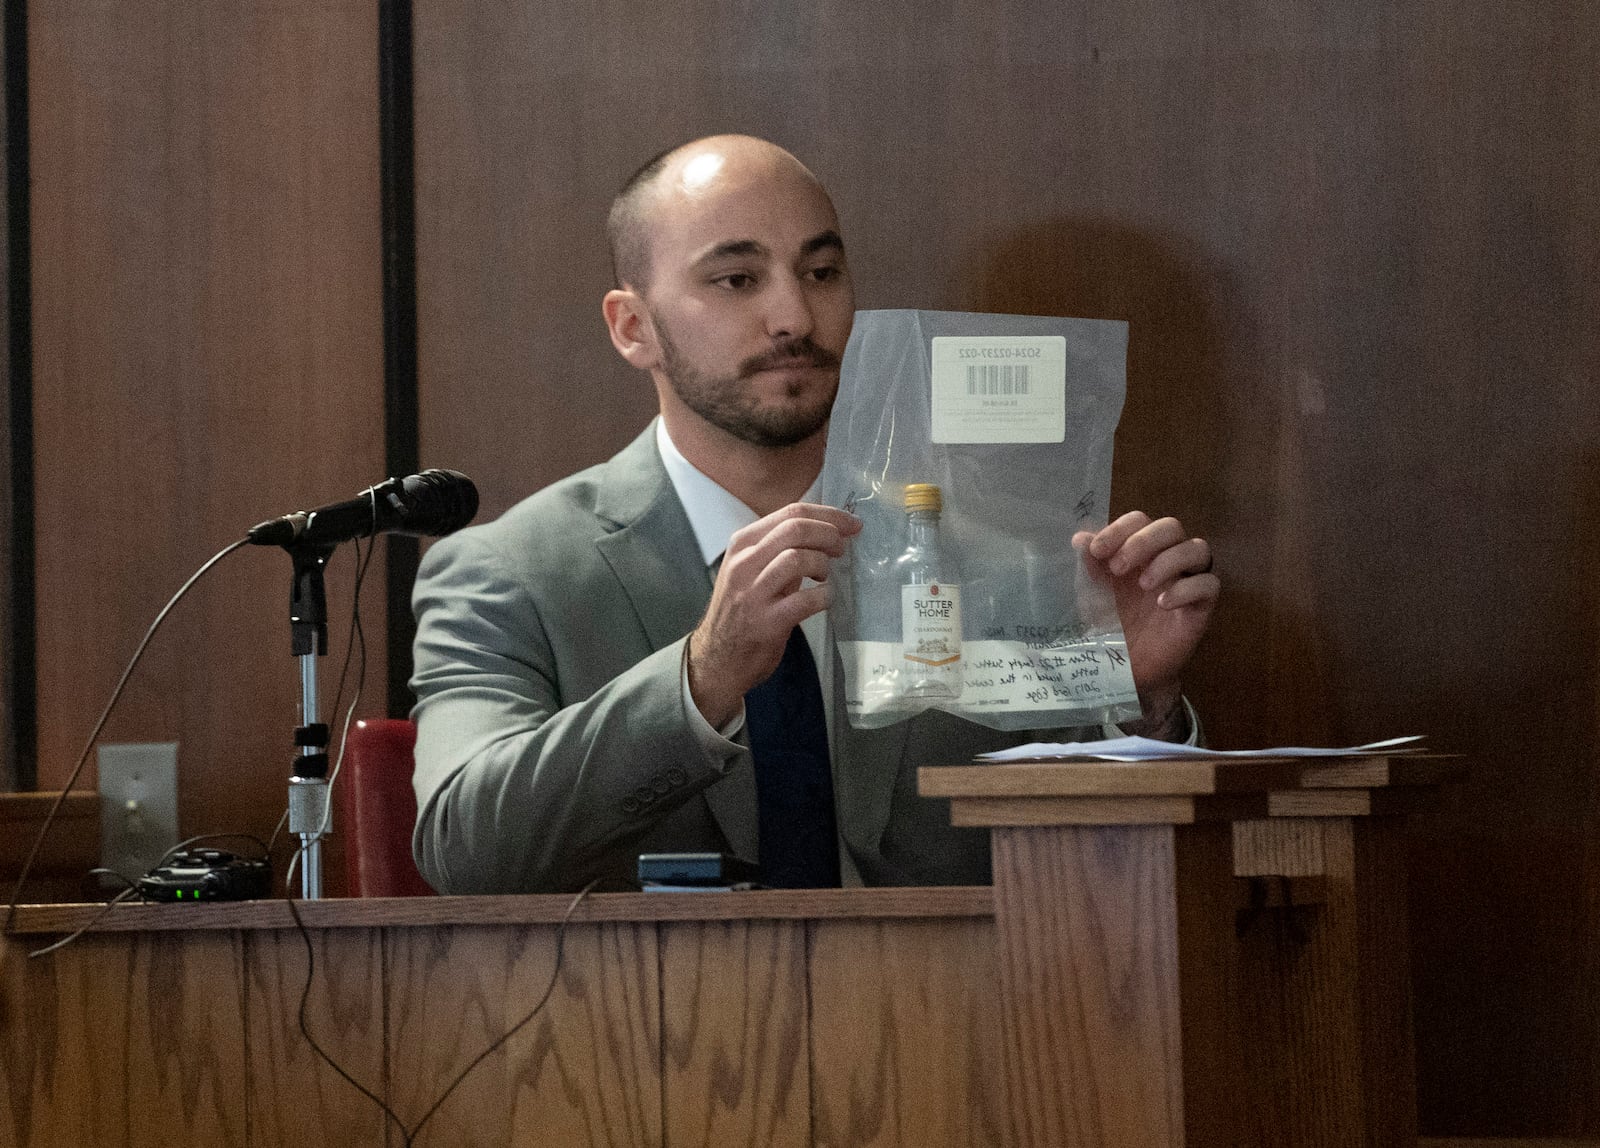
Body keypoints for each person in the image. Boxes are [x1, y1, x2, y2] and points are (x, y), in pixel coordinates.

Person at [409, 135, 1220, 894]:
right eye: (737, 279)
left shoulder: (989, 556)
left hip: (957, 1021)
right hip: (646, 1027)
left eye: (822, 272)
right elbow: (463, 848)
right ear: (633, 327)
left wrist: (1138, 703)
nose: (795, 316)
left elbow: (1109, 876)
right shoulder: (510, 574)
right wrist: (703, 677)